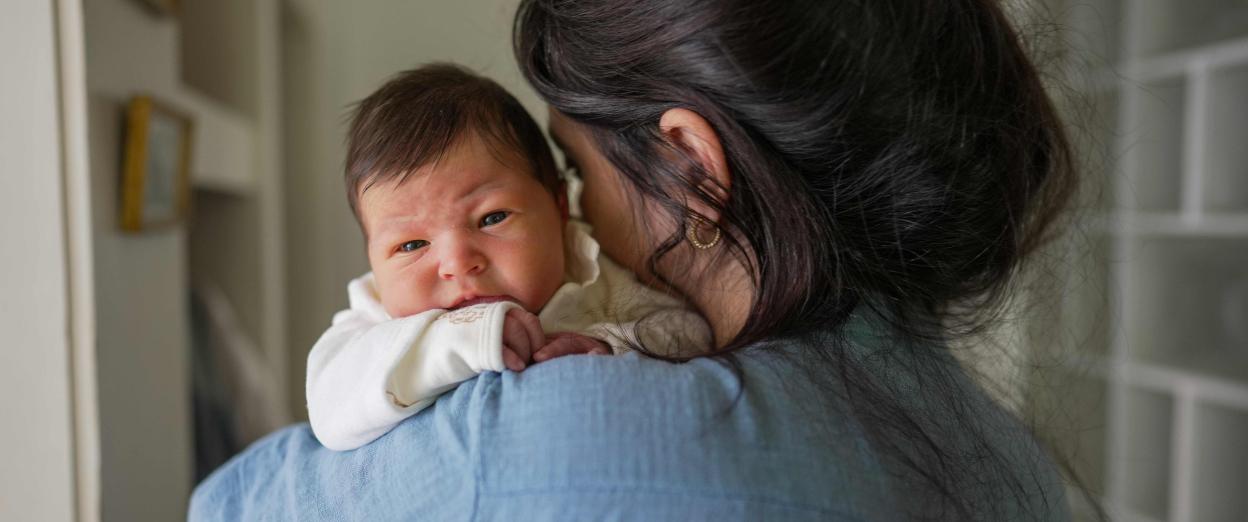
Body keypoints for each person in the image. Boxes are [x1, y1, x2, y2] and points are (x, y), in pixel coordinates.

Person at [191, 0, 1080, 520]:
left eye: (574, 170)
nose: (579, 209)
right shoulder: (1023, 469)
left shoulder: (561, 432)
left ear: (694, 167)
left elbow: (220, 508)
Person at [307, 64, 709, 451]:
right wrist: (455, 342)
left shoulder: (594, 269)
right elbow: (328, 409)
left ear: (558, 207)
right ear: (373, 260)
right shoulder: (375, 316)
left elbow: (687, 330)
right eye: (411, 245)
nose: (457, 262)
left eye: (491, 218)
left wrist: (611, 346)